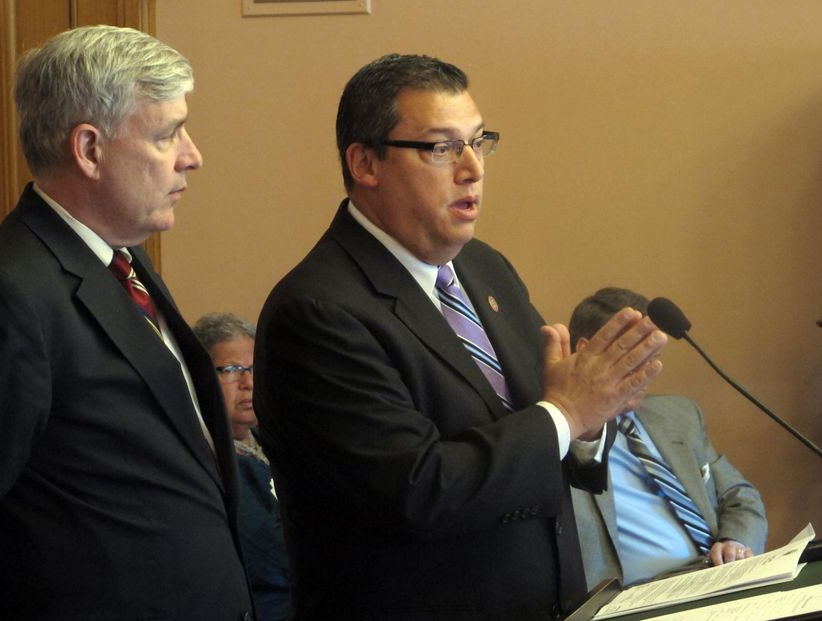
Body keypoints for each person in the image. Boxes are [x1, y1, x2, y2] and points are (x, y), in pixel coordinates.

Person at [253, 53, 668, 620]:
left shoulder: (484, 269)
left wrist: (590, 422)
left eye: (478, 142)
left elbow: (546, 444)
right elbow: (417, 493)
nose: (472, 168)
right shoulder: (319, 312)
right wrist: (566, 414)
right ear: (365, 162)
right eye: (441, 148)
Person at [0, 26, 253, 620]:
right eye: (167, 134)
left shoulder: (120, 256)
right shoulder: (5, 295)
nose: (193, 155)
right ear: (89, 150)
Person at [568, 287, 767, 588]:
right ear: (585, 351)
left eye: (654, 357)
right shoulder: (558, 439)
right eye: (635, 357)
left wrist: (735, 541)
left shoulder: (680, 415)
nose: (649, 372)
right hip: (643, 599)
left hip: (723, 579)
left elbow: (740, 495)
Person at [194, 313, 290, 621]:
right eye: (233, 370)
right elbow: (272, 559)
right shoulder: (208, 457)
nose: (249, 383)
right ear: (200, 377)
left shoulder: (278, 440)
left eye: (253, 369)